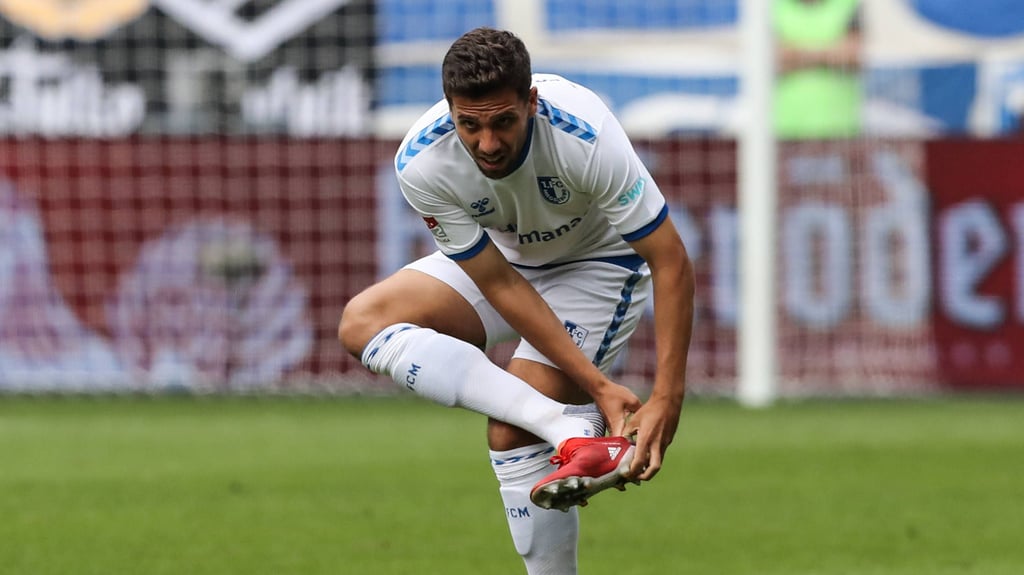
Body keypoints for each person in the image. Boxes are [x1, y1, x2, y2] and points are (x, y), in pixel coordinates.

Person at [338, 27, 694, 574]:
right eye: (469, 124)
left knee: (509, 431)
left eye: (503, 120)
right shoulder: (422, 161)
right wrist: (597, 390)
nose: (487, 143)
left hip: (597, 264)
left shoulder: (584, 132)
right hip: (506, 263)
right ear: (450, 110)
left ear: (531, 102)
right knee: (362, 321)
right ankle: (568, 427)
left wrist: (667, 396)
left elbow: (670, 260)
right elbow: (499, 284)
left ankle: (559, 432)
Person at [774, 0, 863, 139]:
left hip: (839, 130)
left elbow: (851, 56)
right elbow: (772, 59)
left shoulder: (848, 4)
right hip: (783, 129)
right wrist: (828, 53)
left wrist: (796, 55)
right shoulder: (774, 6)